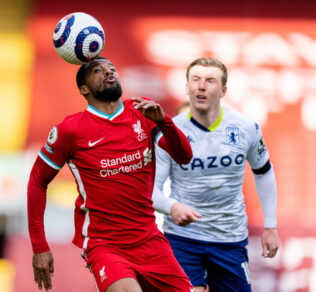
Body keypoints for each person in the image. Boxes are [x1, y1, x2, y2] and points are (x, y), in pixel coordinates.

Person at [27, 57, 195, 291]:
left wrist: (165, 122)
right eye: (98, 70)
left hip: (150, 240)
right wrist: (39, 246)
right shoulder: (70, 130)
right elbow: (37, 181)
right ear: (83, 89)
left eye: (112, 69)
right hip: (105, 244)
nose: (108, 73)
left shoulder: (141, 111)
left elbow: (184, 156)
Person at [152, 57, 280, 292]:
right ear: (187, 87)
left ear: (223, 90)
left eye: (210, 81)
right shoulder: (167, 133)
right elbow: (150, 191)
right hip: (182, 239)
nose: (201, 86)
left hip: (229, 239)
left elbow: (264, 172)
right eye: (195, 80)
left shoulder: (245, 127)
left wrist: (270, 226)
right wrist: (172, 207)